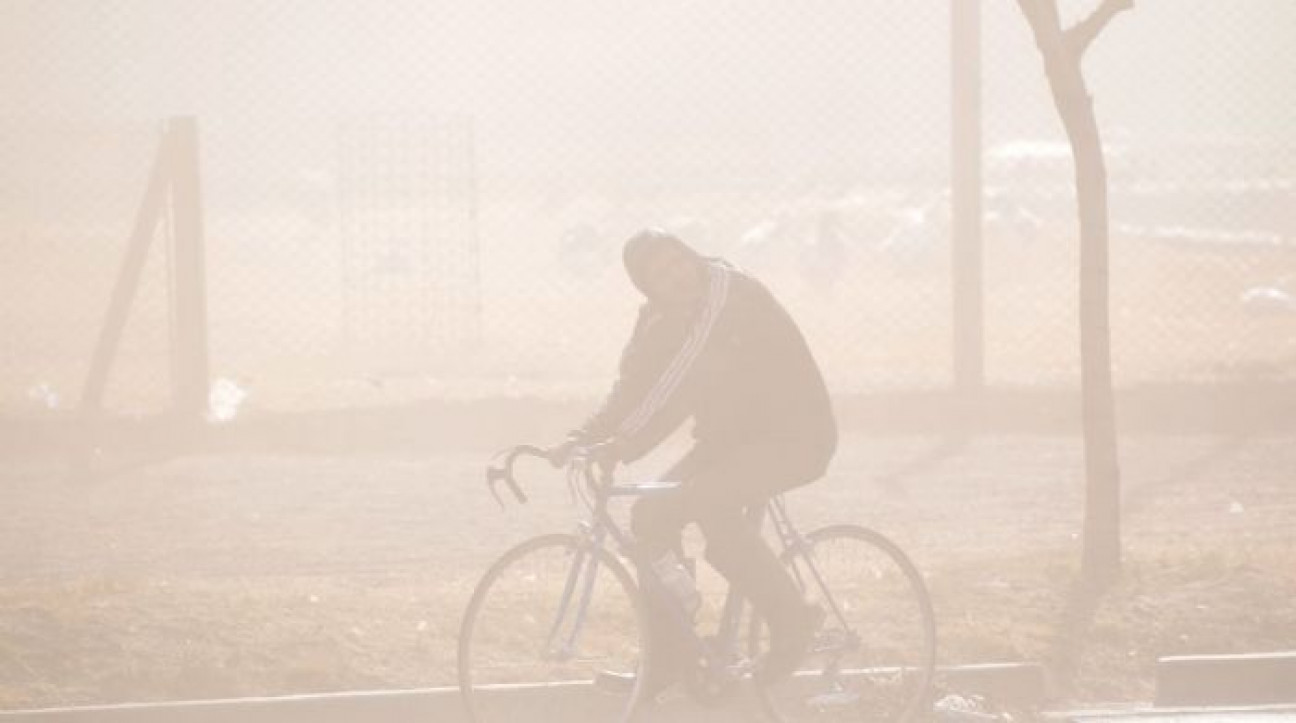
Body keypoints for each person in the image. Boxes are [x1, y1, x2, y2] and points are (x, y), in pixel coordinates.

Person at [561, 227, 838, 695]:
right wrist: (583, 437)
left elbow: (678, 383)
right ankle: (671, 657)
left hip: (794, 435)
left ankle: (793, 621)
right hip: (730, 442)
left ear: (692, 257)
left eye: (678, 262)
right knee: (651, 514)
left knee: (710, 502)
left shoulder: (726, 292)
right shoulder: (658, 318)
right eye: (660, 274)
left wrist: (622, 444)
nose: (676, 276)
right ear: (647, 288)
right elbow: (633, 387)